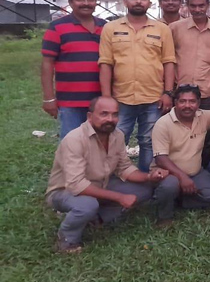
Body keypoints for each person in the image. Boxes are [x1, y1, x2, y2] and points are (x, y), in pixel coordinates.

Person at [45, 96, 168, 253]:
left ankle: (97, 219)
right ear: (90, 116)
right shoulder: (74, 139)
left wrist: (149, 177)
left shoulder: (117, 135)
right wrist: (119, 197)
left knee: (144, 189)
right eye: (104, 114)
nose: (110, 119)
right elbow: (76, 184)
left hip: (100, 184)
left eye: (115, 114)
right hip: (64, 191)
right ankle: (67, 240)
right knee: (87, 205)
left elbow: (124, 168)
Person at [98, 0, 176, 172]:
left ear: (150, 3)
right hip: (121, 97)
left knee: (149, 141)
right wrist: (106, 97)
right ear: (125, 1)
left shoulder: (162, 29)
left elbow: (169, 62)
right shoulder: (111, 28)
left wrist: (168, 93)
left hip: (153, 98)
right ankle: (111, 178)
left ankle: (145, 179)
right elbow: (106, 63)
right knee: (116, 139)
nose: (138, 1)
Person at [152, 85, 210, 223]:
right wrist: (182, 177)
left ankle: (180, 199)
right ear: (175, 102)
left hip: (195, 173)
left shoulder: (203, 116)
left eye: (192, 101)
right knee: (169, 186)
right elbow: (160, 158)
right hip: (169, 173)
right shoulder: (163, 124)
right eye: (182, 101)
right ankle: (164, 216)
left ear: (198, 103)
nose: (187, 105)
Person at [41, 0, 107, 139]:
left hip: (100, 100)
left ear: (96, 2)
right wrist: (49, 98)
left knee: (99, 143)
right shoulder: (57, 27)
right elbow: (47, 64)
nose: (85, 3)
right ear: (70, 2)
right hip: (70, 101)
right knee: (72, 145)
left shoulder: (105, 27)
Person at [170, 0, 210, 168]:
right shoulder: (175, 29)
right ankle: (178, 169)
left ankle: (205, 170)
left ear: (207, 5)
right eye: (193, 5)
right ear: (187, 6)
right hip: (180, 92)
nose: (197, 9)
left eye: (201, 5)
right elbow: (168, 59)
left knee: (206, 134)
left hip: (206, 92)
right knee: (178, 131)